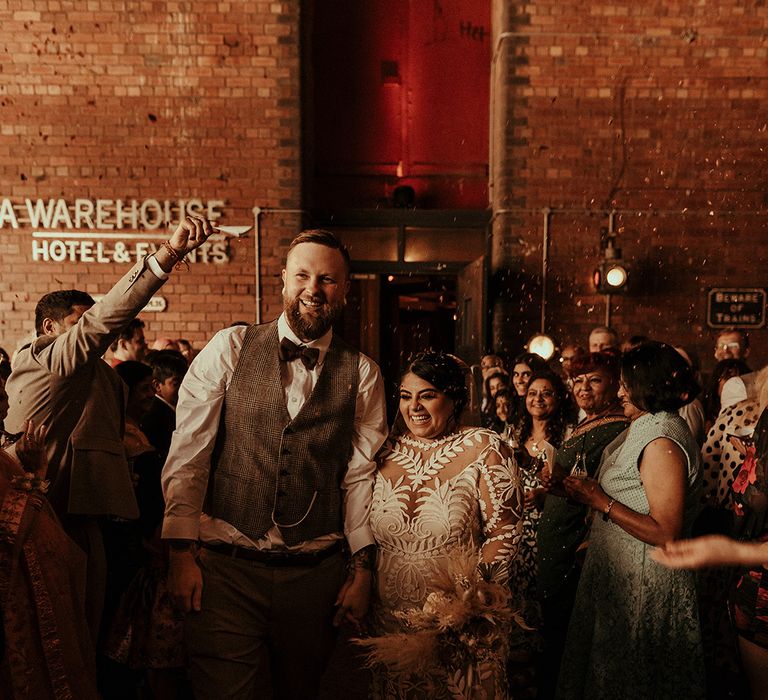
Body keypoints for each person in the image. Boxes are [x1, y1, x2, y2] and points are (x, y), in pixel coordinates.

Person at [160, 229, 388, 700]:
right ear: (283, 280)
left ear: (344, 289)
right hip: (226, 570)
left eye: (327, 279)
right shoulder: (230, 347)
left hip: (315, 577)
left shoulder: (363, 372)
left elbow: (359, 476)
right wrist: (180, 554)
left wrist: (362, 570)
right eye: (302, 275)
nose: (313, 288)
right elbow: (189, 453)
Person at [3, 215, 215, 641]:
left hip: (88, 513)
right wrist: (166, 257)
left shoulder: (93, 372)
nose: (94, 333)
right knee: (59, 635)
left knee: (90, 632)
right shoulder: (47, 357)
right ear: (50, 328)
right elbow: (102, 323)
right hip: (45, 516)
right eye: (79, 323)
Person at [367, 351, 523, 699]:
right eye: (406, 396)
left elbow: (506, 531)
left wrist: (468, 602)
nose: (414, 407)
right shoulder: (382, 450)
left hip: (459, 623)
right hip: (389, 619)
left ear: (454, 398)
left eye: (428, 395)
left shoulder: (486, 448)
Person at [556, 342, 705, 699]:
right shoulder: (646, 423)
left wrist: (600, 501)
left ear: (647, 386)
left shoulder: (662, 440)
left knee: (630, 679)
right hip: (621, 574)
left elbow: (666, 531)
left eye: (626, 383)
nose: (620, 391)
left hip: (645, 579)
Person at [534, 351, 628, 700]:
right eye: (578, 381)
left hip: (576, 546)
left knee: (568, 634)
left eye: (595, 380)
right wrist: (555, 483)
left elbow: (606, 492)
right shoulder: (588, 422)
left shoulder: (618, 427)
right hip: (558, 539)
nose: (583, 388)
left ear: (616, 385)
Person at [0, 422, 99, 700]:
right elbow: (9, 527)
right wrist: (32, 483)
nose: (7, 405)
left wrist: (34, 474)